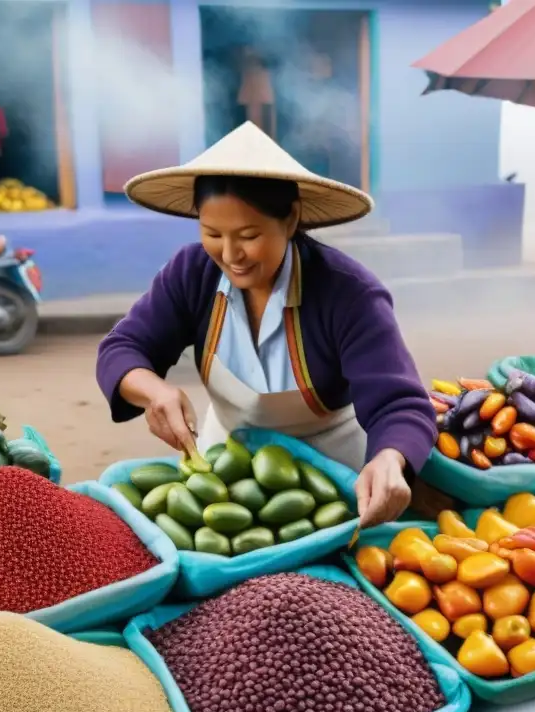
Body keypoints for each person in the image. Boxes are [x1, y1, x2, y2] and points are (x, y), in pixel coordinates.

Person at [96, 122, 437, 528]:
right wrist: (152, 390)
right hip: (226, 475)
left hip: (334, 476)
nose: (230, 253)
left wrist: (389, 458)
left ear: (291, 219)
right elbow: (123, 346)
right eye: (212, 233)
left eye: (248, 234)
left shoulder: (348, 294)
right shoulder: (191, 274)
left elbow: (400, 403)